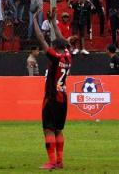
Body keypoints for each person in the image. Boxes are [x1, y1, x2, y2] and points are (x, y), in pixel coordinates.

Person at [32, 10, 72, 170]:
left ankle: (52, 161)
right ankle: (60, 161)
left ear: (55, 47)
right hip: (63, 98)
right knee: (58, 130)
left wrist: (34, 20)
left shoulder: (55, 58)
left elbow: (41, 39)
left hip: (52, 98)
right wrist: (53, 21)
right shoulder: (68, 56)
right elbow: (61, 37)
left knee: (48, 129)